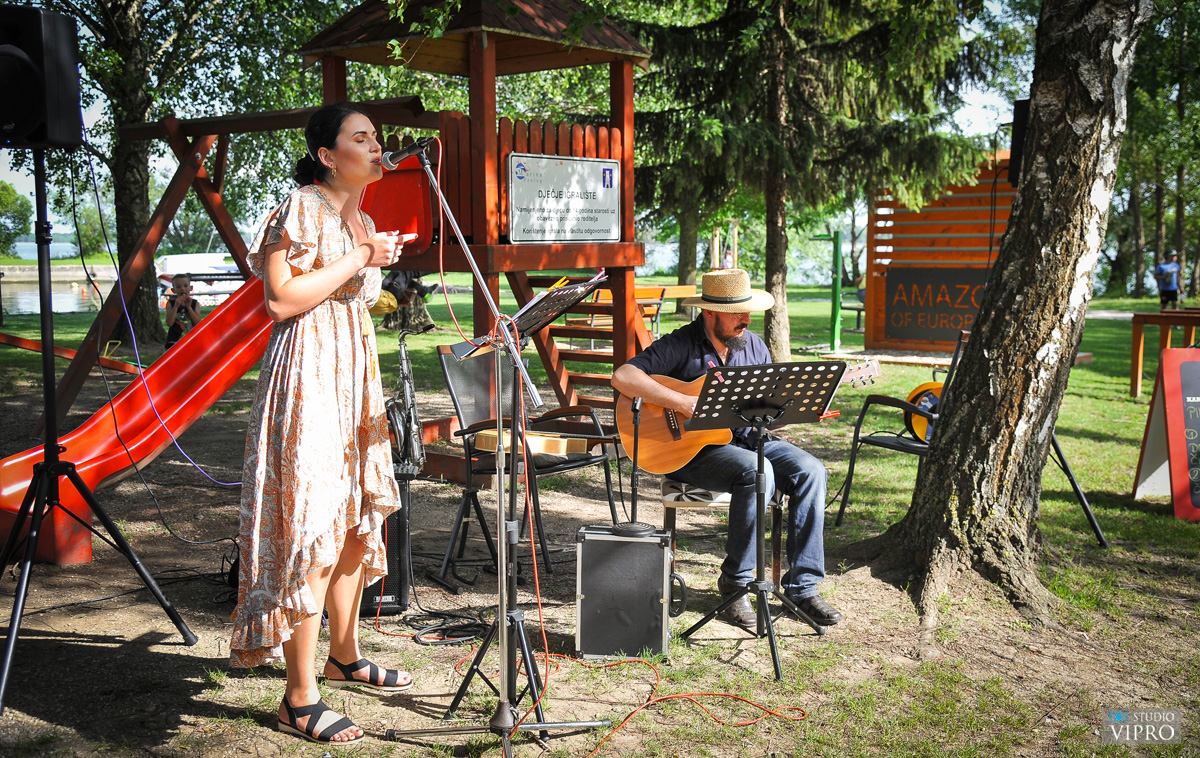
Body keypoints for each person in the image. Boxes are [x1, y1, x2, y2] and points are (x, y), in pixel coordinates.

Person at [229, 102, 413, 746]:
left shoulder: (364, 217)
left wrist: (373, 264)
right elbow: (281, 300)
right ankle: (299, 696)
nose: (377, 146)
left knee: (357, 521)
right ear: (329, 156)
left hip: (352, 374)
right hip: (307, 375)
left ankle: (345, 655)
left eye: (377, 137)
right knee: (313, 525)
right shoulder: (300, 206)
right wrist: (362, 255)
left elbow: (352, 294)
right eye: (362, 137)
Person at [611, 268, 843, 630]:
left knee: (811, 470)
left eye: (747, 311)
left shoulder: (754, 346)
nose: (745, 320)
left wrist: (801, 410)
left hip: (748, 440)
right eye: (736, 313)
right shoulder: (681, 344)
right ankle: (736, 583)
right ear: (709, 312)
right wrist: (682, 403)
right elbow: (623, 376)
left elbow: (765, 415)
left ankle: (803, 588)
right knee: (756, 471)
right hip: (691, 452)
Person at [163, 273, 202, 349]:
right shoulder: (171, 303)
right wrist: (176, 306)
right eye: (178, 287)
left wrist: (189, 307)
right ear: (173, 290)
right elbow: (169, 323)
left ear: (190, 288)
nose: (183, 289)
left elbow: (198, 323)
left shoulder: (195, 303)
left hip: (191, 340)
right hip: (173, 341)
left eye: (185, 286)